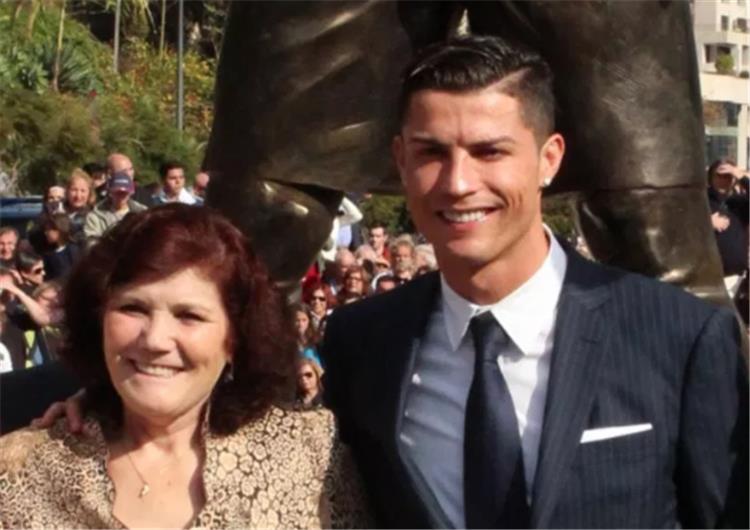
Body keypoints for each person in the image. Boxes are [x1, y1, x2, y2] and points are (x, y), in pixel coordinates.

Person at [321, 35, 748, 528]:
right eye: (431, 153)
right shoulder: (363, 343)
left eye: (489, 152)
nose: (458, 183)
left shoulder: (679, 337)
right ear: (400, 160)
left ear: (549, 159)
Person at [0, 204, 369, 528]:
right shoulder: (19, 473)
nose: (155, 339)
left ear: (235, 337)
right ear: (99, 320)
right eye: (133, 308)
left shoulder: (310, 456)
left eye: (189, 315)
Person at [84, 172, 147, 248]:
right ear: (110, 192)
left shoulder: (143, 214)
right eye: (117, 192)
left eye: (124, 193)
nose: (121, 196)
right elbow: (91, 245)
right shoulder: (95, 216)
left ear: (131, 193)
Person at [40, 213, 82, 281]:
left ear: (60, 229)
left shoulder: (72, 250)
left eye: (49, 229)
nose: (46, 233)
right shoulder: (48, 253)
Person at [64, 168, 94, 243]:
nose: (78, 196)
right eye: (74, 190)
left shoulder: (94, 216)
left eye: (83, 191)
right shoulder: (56, 211)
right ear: (67, 191)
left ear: (89, 194)